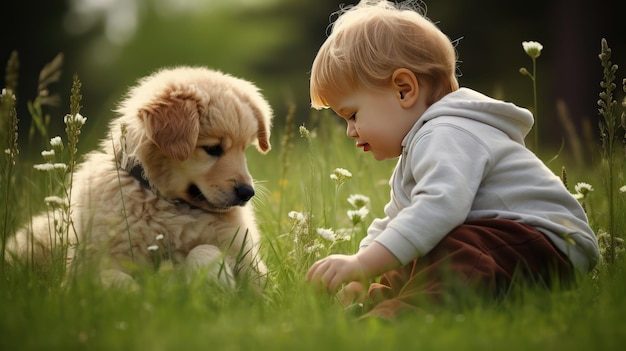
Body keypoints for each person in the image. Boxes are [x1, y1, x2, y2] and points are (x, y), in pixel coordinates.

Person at [305, 0, 599, 319]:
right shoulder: (421, 145)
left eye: (352, 115)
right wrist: (362, 269)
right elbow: (398, 220)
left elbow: (438, 208)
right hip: (501, 242)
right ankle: (377, 302)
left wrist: (362, 264)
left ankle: (405, 315)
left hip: (544, 240)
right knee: (418, 251)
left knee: (453, 249)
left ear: (404, 90)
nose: (350, 131)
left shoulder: (448, 132)